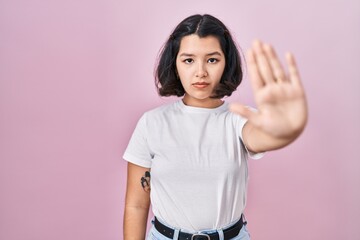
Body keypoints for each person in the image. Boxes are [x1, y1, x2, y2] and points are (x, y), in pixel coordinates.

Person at [123, 14, 307, 240]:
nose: (200, 72)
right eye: (188, 60)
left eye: (212, 59)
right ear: (174, 63)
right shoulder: (151, 123)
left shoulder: (239, 119)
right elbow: (136, 205)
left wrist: (288, 128)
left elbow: (265, 136)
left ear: (226, 63)